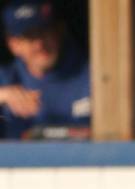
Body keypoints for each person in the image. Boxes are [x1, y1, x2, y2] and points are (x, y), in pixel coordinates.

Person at [0, 0, 90, 140]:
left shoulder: (94, 76)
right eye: (30, 36)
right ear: (14, 45)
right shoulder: (6, 78)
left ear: (59, 31)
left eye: (44, 33)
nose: (39, 44)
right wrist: (3, 95)